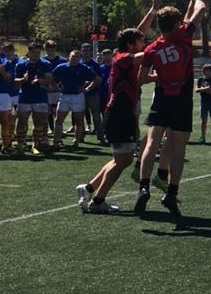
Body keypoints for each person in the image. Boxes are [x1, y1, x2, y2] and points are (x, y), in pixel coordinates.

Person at [136, 0, 209, 217]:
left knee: (152, 142)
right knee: (179, 146)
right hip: (181, 99)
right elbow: (201, 10)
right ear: (178, 24)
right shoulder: (185, 35)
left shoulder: (152, 48)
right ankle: (171, 192)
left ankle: (144, 186)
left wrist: (161, 77)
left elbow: (142, 78)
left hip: (162, 98)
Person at [76, 28, 147, 214]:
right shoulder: (123, 58)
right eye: (141, 41)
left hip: (120, 113)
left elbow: (141, 42)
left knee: (120, 159)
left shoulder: (123, 55)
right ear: (131, 44)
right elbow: (147, 54)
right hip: (120, 114)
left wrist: (152, 12)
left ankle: (89, 189)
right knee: (123, 161)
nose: (144, 43)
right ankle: (98, 201)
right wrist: (166, 43)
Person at [52, 50, 98, 149]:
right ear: (69, 56)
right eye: (73, 56)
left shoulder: (83, 68)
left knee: (79, 121)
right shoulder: (62, 67)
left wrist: (87, 88)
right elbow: (52, 78)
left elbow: (96, 78)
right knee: (59, 120)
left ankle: (76, 142)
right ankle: (56, 142)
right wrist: (57, 87)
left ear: (80, 58)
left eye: (77, 57)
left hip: (78, 96)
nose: (75, 58)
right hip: (64, 96)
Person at [13, 42, 54, 156]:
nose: (36, 55)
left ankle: (35, 145)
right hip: (25, 97)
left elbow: (49, 80)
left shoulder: (45, 64)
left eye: (38, 52)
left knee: (38, 122)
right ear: (28, 52)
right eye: (33, 52)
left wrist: (40, 80)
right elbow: (15, 81)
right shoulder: (21, 65)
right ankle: (20, 145)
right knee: (22, 122)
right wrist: (23, 79)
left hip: (40, 97)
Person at [81, 43, 106, 143]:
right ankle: (80, 136)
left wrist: (89, 87)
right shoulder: (78, 63)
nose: (85, 52)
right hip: (80, 94)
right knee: (79, 116)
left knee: (96, 117)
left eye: (87, 50)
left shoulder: (95, 64)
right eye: (84, 50)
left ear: (90, 52)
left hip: (93, 94)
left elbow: (99, 79)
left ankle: (100, 137)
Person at [196, 63, 211, 144]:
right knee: (204, 120)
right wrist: (207, 88)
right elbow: (196, 90)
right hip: (203, 102)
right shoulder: (200, 79)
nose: (207, 72)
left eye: (209, 70)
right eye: (206, 70)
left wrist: (202, 89)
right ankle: (202, 137)